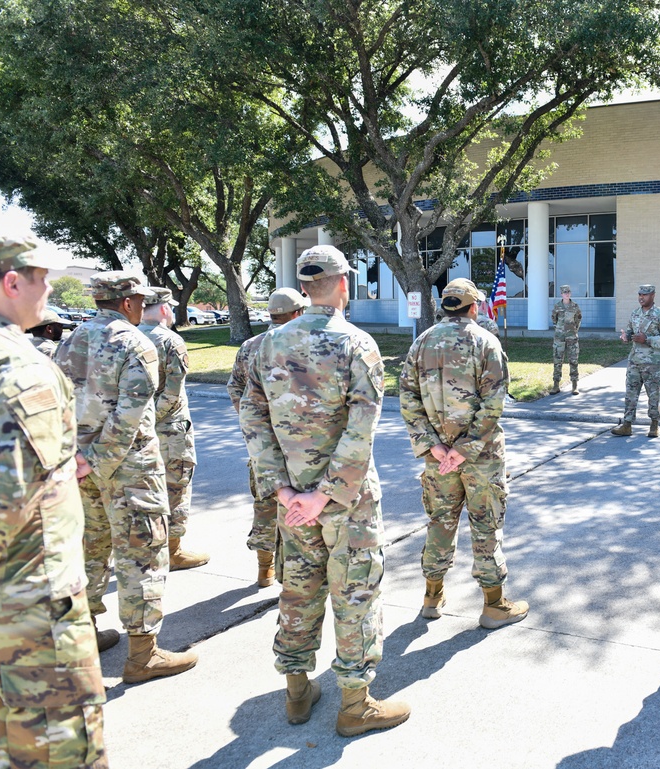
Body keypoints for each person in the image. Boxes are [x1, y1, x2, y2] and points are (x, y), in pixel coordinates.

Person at [239, 245, 409, 736]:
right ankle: (355, 705)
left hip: (293, 498)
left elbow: (253, 419)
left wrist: (281, 489)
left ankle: (297, 691)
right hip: (347, 502)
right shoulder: (356, 343)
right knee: (355, 591)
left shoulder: (263, 346)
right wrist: (327, 494)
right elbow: (362, 428)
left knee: (299, 588)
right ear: (341, 283)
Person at [0, 236, 108, 768]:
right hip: (24, 616)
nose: (49, 289)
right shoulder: (18, 368)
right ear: (11, 283)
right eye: (43, 278)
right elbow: (11, 505)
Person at [55, 271, 197, 683]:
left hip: (80, 466)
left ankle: (86, 634)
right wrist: (100, 459)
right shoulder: (134, 342)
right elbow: (131, 413)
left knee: (89, 548)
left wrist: (80, 458)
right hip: (128, 469)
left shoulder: (70, 339)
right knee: (142, 553)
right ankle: (142, 654)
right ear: (129, 302)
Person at [399, 278, 529, 630]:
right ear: (474, 307)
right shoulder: (486, 342)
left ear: (445, 307)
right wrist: (465, 448)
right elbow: (494, 403)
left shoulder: (421, 342)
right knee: (485, 525)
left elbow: (407, 398)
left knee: (439, 523)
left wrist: (434, 445)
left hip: (438, 458)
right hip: (480, 457)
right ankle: (494, 605)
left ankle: (432, 596)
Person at [227, 286, 309, 587]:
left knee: (265, 504)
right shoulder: (302, 343)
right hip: (300, 444)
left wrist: (254, 424)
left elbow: (235, 388)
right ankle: (295, 577)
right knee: (299, 508)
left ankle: (265, 570)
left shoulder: (250, 346)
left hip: (262, 445)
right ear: (298, 312)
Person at [138, 287, 209, 571]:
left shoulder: (126, 337)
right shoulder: (170, 340)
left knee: (141, 487)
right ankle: (173, 551)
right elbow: (172, 393)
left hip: (132, 429)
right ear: (165, 309)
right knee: (176, 486)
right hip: (169, 430)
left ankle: (143, 545)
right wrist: (150, 421)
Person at [611, 284, 660, 438]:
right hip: (635, 360)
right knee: (630, 393)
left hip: (653, 362)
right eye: (639, 294)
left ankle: (654, 424)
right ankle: (627, 424)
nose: (641, 297)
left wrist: (648, 339)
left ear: (653, 295)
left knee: (653, 394)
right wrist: (626, 337)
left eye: (645, 295)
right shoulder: (635, 314)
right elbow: (630, 331)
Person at [551, 283, 582, 394]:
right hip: (559, 338)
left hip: (572, 337)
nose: (567, 294)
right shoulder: (557, 306)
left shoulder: (575, 306)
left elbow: (578, 320)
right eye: (565, 292)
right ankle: (556, 384)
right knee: (557, 361)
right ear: (561, 294)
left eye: (568, 292)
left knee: (573, 360)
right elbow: (554, 320)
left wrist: (573, 331)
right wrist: (560, 330)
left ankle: (574, 385)